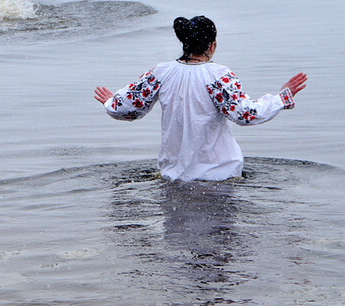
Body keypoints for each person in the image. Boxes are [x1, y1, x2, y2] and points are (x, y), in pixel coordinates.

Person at [94, 16, 307, 182]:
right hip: (220, 175)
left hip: (174, 176)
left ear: (184, 44)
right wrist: (281, 98)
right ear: (212, 46)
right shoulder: (218, 76)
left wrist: (111, 102)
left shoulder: (161, 72)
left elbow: (129, 108)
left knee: (176, 236)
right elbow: (246, 114)